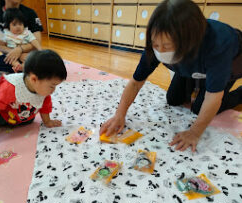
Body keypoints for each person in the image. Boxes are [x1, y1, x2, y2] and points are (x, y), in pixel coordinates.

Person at [100, 0, 242, 152]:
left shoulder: (219, 46)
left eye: (167, 47)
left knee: (199, 108)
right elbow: (135, 82)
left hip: (232, 63)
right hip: (189, 61)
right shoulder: (158, 41)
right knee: (173, 98)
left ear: (188, 44)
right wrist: (119, 114)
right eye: (155, 45)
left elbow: (214, 97)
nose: (160, 51)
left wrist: (194, 132)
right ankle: (192, 75)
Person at [0, 0, 43, 84]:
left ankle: (10, 76)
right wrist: (16, 53)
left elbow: (37, 41)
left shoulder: (30, 13)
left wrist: (20, 50)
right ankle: (26, 73)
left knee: (43, 62)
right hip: (10, 57)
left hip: (29, 56)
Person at [0, 8, 42, 72]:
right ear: (8, 26)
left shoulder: (26, 32)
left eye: (20, 24)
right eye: (14, 24)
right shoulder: (7, 34)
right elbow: (2, 44)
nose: (18, 27)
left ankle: (24, 68)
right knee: (11, 60)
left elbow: (34, 40)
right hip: (12, 55)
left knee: (30, 59)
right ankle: (18, 67)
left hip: (26, 53)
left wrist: (40, 49)